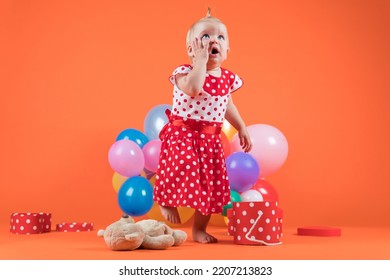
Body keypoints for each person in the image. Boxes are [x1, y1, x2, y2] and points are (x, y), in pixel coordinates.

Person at [154, 9, 252, 244]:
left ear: (227, 50)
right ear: (191, 49)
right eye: (205, 37)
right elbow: (193, 89)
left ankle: (198, 229)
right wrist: (200, 63)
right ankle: (167, 199)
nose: (214, 41)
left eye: (220, 37)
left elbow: (228, 105)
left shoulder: (228, 78)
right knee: (181, 168)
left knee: (210, 185)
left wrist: (242, 127)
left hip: (210, 139)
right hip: (183, 134)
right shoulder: (184, 72)